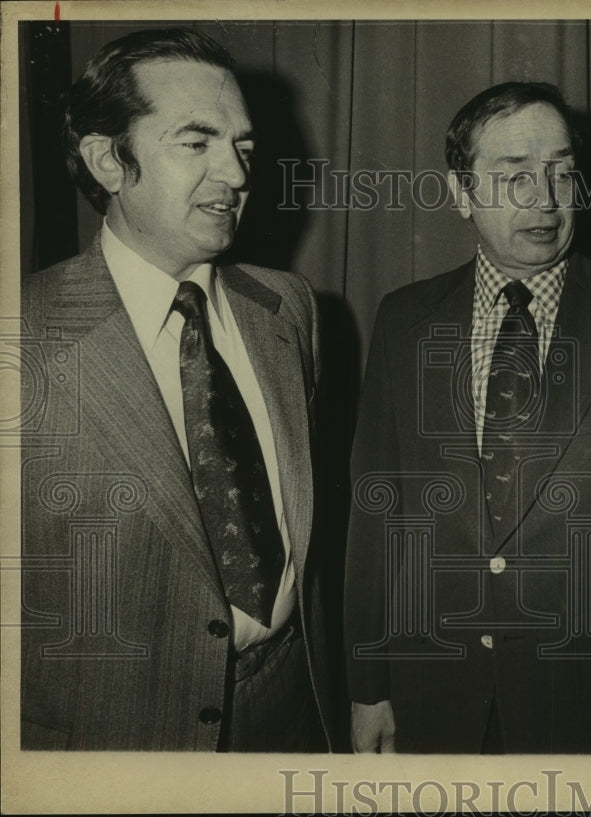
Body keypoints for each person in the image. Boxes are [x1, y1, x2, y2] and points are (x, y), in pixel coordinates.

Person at [344, 81, 591, 753]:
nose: (544, 199)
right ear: (461, 193)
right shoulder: (403, 319)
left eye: (561, 172)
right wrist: (368, 686)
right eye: (513, 176)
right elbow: (379, 517)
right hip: (435, 695)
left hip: (589, 707)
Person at [20, 28, 333, 751]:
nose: (235, 171)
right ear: (107, 160)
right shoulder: (23, 335)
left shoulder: (288, 307)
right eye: (197, 142)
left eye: (243, 147)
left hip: (291, 714)